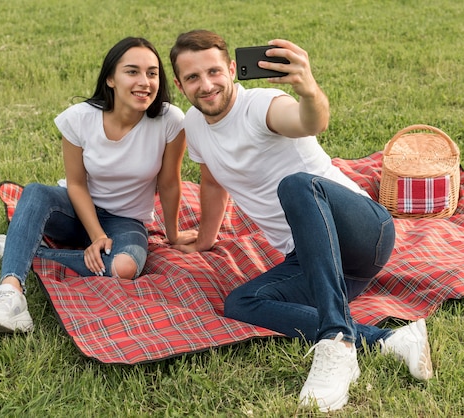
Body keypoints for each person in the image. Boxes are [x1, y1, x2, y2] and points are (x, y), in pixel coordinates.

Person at [169, 30, 433, 412]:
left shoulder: (261, 106)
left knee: (295, 186)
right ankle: (389, 340)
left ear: (230, 69)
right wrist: (206, 238)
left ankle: (337, 342)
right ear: (179, 84)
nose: (206, 85)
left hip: (364, 235)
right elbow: (211, 180)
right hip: (313, 258)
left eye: (213, 71)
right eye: (193, 77)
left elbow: (311, 122)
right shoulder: (194, 125)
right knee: (241, 302)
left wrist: (308, 90)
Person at [0, 37, 197, 335]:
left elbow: (168, 184)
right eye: (132, 72)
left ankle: (12, 246)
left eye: (152, 73)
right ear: (111, 79)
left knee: (124, 268)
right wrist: (96, 236)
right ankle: (10, 294)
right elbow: (76, 184)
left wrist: (173, 234)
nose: (144, 82)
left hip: (126, 220)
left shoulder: (170, 120)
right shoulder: (80, 118)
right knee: (36, 192)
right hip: (74, 211)